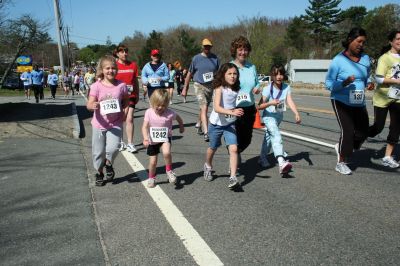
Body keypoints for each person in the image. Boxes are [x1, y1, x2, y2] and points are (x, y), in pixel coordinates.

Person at [325, 27, 375, 175]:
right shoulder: (338, 60)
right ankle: (341, 162)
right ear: (349, 40)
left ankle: (341, 146)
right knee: (347, 131)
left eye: (363, 42)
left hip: (358, 101)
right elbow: (328, 84)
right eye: (358, 41)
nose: (361, 45)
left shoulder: (365, 59)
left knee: (362, 132)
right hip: (340, 100)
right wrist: (344, 83)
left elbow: (367, 76)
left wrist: (369, 83)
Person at [86, 55, 129, 186]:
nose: (111, 71)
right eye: (107, 68)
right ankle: (99, 172)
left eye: (113, 68)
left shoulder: (121, 85)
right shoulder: (96, 86)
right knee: (98, 152)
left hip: (115, 122)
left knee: (114, 148)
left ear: (117, 70)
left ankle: (108, 163)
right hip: (99, 124)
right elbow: (89, 104)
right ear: (102, 70)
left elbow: (126, 101)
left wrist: (125, 113)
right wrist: (93, 105)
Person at [202, 63, 243, 189]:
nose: (232, 76)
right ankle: (208, 166)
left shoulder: (237, 89)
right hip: (216, 124)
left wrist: (240, 110)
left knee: (234, 149)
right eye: (229, 74)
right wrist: (232, 111)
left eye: (235, 74)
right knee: (213, 147)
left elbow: (238, 103)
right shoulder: (219, 88)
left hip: (229, 124)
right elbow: (217, 108)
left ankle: (233, 177)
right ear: (223, 75)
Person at [257, 64, 301, 174]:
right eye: (276, 74)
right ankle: (281, 161)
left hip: (278, 116)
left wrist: (296, 113)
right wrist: (271, 103)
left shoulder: (286, 87)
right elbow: (259, 106)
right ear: (272, 75)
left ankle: (262, 158)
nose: (279, 76)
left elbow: (289, 101)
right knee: (276, 134)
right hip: (268, 116)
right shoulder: (267, 89)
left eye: (281, 74)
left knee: (269, 138)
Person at [368, 30, 400, 168]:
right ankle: (355, 137)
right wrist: (397, 81)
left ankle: (387, 157)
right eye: (398, 39)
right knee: (378, 128)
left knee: (396, 128)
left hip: (398, 97)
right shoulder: (385, 58)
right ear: (391, 41)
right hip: (382, 97)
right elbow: (379, 78)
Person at [142, 89, 184, 188]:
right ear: (152, 102)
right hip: (152, 140)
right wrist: (145, 139)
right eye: (158, 105)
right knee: (153, 162)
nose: (160, 108)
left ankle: (169, 171)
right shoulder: (149, 112)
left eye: (163, 106)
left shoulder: (169, 113)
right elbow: (144, 126)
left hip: (165, 137)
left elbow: (178, 118)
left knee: (166, 152)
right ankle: (151, 177)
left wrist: (181, 126)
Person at [182, 38, 220, 142]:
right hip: (199, 85)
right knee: (204, 108)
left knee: (204, 107)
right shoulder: (196, 58)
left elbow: (219, 73)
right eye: (205, 46)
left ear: (211, 47)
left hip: (210, 86)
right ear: (202, 47)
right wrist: (185, 88)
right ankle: (206, 132)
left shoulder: (215, 58)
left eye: (209, 46)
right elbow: (189, 73)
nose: (207, 48)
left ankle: (199, 124)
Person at [230, 36, 261, 158]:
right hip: (234, 108)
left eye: (245, 49)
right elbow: (222, 84)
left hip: (249, 107)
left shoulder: (252, 67)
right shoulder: (230, 67)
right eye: (240, 49)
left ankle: (235, 153)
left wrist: (258, 88)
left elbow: (257, 83)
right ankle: (233, 158)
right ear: (235, 50)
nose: (243, 52)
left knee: (247, 139)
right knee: (234, 137)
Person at [113, 44, 140, 154]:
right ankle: (120, 141)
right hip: (117, 97)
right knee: (119, 119)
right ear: (117, 53)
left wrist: (137, 93)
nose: (125, 54)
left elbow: (136, 81)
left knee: (129, 119)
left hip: (130, 96)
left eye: (126, 51)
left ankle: (130, 143)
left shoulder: (133, 65)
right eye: (122, 52)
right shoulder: (113, 66)